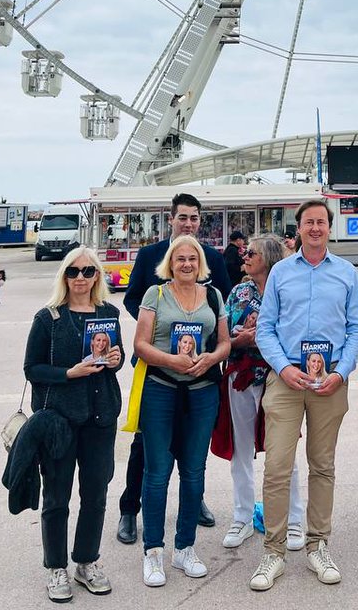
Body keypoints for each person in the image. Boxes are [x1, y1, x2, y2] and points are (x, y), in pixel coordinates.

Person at [249, 198, 358, 592]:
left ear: (329, 228)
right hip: (286, 381)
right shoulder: (281, 272)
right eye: (308, 223)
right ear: (297, 229)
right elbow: (265, 329)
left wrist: (341, 371)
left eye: (321, 222)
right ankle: (274, 551)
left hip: (329, 382)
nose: (315, 228)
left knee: (323, 466)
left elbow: (357, 328)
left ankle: (318, 544)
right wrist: (283, 367)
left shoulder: (346, 273)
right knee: (277, 467)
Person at [117, 192, 231, 545]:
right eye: (183, 217)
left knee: (193, 447)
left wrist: (209, 352)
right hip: (158, 369)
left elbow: (222, 303)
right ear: (171, 219)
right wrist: (158, 331)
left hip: (199, 370)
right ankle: (129, 510)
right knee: (147, 449)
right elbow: (132, 297)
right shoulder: (152, 256)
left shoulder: (211, 257)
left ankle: (193, 504)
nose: (189, 223)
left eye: (194, 218)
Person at [22, 247, 124, 602]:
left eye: (88, 271)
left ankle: (86, 561)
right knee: (57, 497)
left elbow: (118, 357)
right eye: (73, 272)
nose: (81, 278)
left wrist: (114, 358)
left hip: (100, 417)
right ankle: (56, 567)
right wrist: (69, 373)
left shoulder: (109, 313)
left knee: (96, 494)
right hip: (60, 421)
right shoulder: (48, 318)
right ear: (64, 276)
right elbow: (31, 369)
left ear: (97, 276)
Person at [133, 235, 231, 588]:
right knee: (157, 471)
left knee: (194, 471)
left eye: (192, 258)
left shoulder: (214, 295)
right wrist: (171, 359)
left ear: (200, 263)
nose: (186, 264)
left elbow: (224, 342)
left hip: (202, 392)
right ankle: (153, 551)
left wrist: (211, 358)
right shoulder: (155, 295)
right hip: (160, 390)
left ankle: (185, 547)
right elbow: (140, 344)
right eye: (180, 259)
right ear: (170, 263)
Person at [221, 234, 305, 552]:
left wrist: (266, 338)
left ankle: (292, 520)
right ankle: (242, 517)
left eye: (251, 252)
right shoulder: (239, 291)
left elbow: (299, 331)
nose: (245, 255)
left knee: (283, 451)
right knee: (241, 450)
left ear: (268, 257)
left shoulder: (287, 290)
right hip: (241, 376)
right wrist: (239, 337)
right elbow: (223, 331)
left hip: (278, 378)